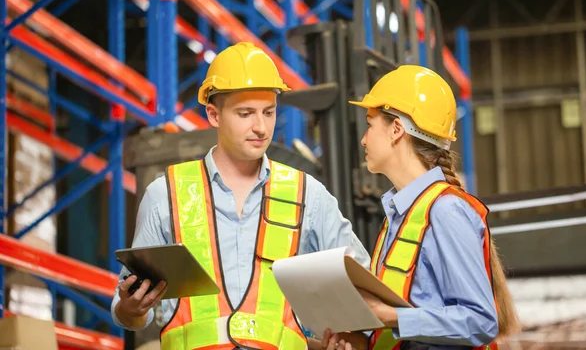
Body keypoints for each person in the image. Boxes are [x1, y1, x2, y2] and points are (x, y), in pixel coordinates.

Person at [111, 42, 370, 350]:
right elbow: (127, 310)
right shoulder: (165, 194)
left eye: (269, 112)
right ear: (213, 114)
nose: (260, 127)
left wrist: (343, 337)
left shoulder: (308, 196)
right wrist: (131, 309)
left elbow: (363, 289)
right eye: (246, 113)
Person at [322, 65, 520, 350]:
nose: (364, 139)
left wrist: (389, 316)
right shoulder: (400, 217)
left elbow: (480, 321)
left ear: (396, 129)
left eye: (370, 124)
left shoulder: (446, 210)